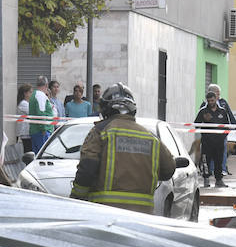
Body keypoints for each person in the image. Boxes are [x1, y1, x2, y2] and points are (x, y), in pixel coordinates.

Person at [70, 83, 175, 212]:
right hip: (143, 214)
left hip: (104, 212)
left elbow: (87, 168)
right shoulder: (151, 137)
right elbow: (169, 170)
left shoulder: (100, 131)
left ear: (105, 109)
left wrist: (76, 198)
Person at [197, 84, 236, 182]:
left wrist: (224, 136)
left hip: (219, 141)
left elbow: (227, 124)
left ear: (216, 99)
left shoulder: (222, 110)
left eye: (213, 100)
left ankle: (219, 179)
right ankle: (206, 178)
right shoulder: (203, 110)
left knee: (219, 160)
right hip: (207, 142)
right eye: (209, 101)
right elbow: (196, 124)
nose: (211, 103)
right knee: (206, 160)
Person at [27, 76, 55, 154]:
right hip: (42, 132)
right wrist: (43, 129)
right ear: (46, 85)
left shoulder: (34, 95)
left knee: (37, 155)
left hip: (35, 130)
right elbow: (41, 113)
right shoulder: (40, 95)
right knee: (44, 155)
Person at [16, 84, 32, 153]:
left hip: (28, 132)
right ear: (25, 93)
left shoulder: (27, 103)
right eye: (30, 92)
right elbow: (32, 112)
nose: (32, 94)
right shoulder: (23, 104)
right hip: (25, 132)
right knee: (28, 150)